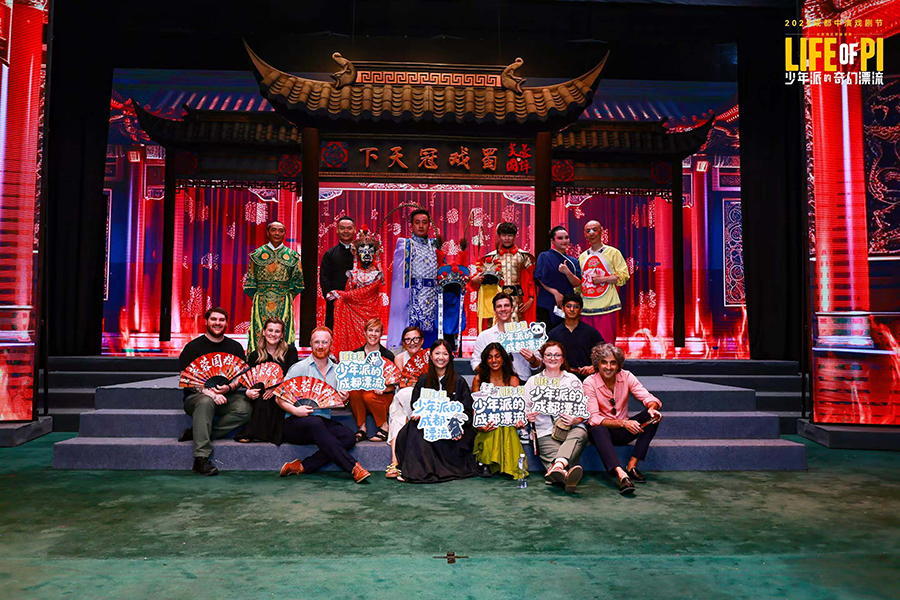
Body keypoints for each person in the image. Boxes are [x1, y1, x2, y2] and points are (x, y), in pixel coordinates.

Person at [278, 327, 370, 483]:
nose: (320, 346)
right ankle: (354, 467)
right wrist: (295, 410)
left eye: (324, 342)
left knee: (349, 437)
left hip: (321, 423)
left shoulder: (338, 370)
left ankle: (302, 466)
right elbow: (279, 398)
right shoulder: (299, 368)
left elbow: (339, 402)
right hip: (295, 424)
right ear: (311, 344)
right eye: (317, 342)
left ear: (331, 343)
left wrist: (345, 399)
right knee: (315, 422)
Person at [178, 307, 252, 476]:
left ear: (226, 323)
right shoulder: (193, 347)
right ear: (206, 321)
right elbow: (185, 378)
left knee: (245, 408)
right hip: (197, 398)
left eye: (221, 320)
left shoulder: (234, 347)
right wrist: (210, 393)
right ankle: (201, 458)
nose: (217, 323)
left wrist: (230, 387)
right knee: (206, 402)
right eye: (214, 319)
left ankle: (197, 433)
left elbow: (241, 376)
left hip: (226, 397)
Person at [394, 339, 478, 483]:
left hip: (451, 427)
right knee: (413, 429)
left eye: (445, 354)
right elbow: (416, 404)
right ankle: (416, 472)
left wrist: (457, 424)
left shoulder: (459, 381)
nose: (441, 357)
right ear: (431, 356)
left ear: (450, 357)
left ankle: (437, 470)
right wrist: (419, 413)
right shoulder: (423, 380)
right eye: (437, 353)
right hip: (430, 424)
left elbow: (467, 411)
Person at [584, 343, 662, 495]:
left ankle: (632, 465)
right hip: (603, 433)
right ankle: (621, 475)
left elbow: (648, 397)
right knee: (597, 428)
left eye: (613, 363)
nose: (608, 367)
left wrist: (652, 407)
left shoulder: (626, 376)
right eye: (604, 362)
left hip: (624, 431)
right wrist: (624, 423)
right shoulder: (589, 382)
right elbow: (593, 418)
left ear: (618, 365)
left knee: (652, 415)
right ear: (597, 364)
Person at [522, 340, 588, 493]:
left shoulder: (572, 380)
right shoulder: (533, 381)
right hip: (544, 431)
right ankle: (566, 474)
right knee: (560, 462)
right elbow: (523, 409)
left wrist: (575, 419)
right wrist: (527, 416)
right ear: (543, 358)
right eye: (549, 355)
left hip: (570, 429)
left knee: (581, 432)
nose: (553, 358)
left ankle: (558, 467)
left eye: (557, 355)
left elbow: (583, 411)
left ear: (563, 359)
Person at [386, 209, 445, 349]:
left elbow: (442, 271)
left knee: (431, 338)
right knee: (413, 335)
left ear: (429, 225)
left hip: (433, 297)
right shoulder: (406, 245)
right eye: (417, 222)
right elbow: (399, 278)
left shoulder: (435, 245)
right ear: (411, 225)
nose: (421, 226)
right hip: (413, 298)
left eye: (424, 222)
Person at [234, 317, 299, 444]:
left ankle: (256, 432)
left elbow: (293, 377)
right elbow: (250, 379)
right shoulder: (255, 355)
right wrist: (248, 392)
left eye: (277, 331)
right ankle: (265, 433)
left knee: (272, 397)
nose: (273, 334)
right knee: (261, 393)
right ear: (264, 332)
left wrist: (276, 388)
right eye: (270, 330)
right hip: (261, 394)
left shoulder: (290, 352)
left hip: (284, 391)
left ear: (282, 335)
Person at [244, 221, 304, 352]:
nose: (277, 233)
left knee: (283, 330)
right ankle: (258, 359)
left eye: (280, 231)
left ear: (285, 234)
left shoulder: (293, 256)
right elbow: (250, 284)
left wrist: (286, 296)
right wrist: (260, 296)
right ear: (267, 233)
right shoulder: (257, 255)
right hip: (261, 302)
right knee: (260, 331)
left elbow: (298, 284)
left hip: (283, 301)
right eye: (273, 230)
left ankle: (284, 359)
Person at [471, 342, 526, 478]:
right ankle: (488, 461)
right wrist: (479, 425)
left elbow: (517, 408)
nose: (494, 360)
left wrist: (519, 421)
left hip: (508, 424)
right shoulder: (479, 379)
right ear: (485, 360)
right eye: (489, 357)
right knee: (494, 424)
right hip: (486, 424)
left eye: (497, 356)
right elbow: (475, 409)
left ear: (503, 358)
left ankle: (502, 465)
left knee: (505, 425)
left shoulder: (513, 380)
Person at [469, 222, 536, 332]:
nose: (507, 238)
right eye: (504, 235)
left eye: (510, 235)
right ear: (499, 236)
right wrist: (475, 280)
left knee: (516, 329)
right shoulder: (492, 257)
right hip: (495, 298)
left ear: (515, 236)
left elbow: (531, 279)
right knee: (494, 329)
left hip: (516, 300)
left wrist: (531, 298)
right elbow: (479, 276)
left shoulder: (523, 256)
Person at [329, 227, 385, 353]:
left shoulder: (377, 275)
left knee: (371, 335)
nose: (366, 255)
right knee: (341, 304)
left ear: (375, 254)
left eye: (370, 251)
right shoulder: (353, 274)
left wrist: (339, 293)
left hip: (371, 311)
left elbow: (365, 292)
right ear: (357, 254)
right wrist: (341, 298)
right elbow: (349, 294)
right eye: (362, 252)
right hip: (354, 312)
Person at [470, 293, 542, 382]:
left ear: (512, 309)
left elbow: (538, 364)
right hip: (494, 383)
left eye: (506, 305)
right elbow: (475, 363)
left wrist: (532, 359)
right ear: (494, 310)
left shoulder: (526, 334)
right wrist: (492, 374)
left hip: (522, 381)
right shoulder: (484, 336)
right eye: (499, 306)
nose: (503, 309)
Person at [578, 220, 629, 345]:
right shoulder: (582, 257)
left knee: (606, 345)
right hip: (585, 308)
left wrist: (602, 279)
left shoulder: (613, 253)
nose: (591, 233)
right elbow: (579, 283)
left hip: (607, 306)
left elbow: (624, 275)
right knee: (586, 345)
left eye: (594, 230)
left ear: (601, 232)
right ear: (584, 235)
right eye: (588, 231)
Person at [385, 326, 426, 478]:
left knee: (400, 411)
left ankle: (396, 462)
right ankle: (395, 461)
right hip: (403, 400)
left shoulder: (429, 356)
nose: (412, 342)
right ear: (403, 343)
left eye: (415, 339)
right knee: (401, 406)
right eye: (407, 340)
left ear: (422, 341)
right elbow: (402, 383)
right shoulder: (400, 358)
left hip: (424, 399)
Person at [347, 318, 395, 443]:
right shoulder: (356, 354)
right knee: (354, 391)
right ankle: (362, 428)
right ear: (364, 332)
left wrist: (384, 388)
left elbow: (394, 383)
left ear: (381, 334)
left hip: (382, 397)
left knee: (368, 396)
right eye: (370, 330)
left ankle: (384, 426)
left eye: (377, 331)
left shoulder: (387, 355)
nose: (373, 334)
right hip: (361, 398)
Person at [534, 226, 582, 330]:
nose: (564, 241)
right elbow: (539, 277)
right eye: (560, 238)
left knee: (565, 334)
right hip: (547, 302)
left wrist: (567, 272)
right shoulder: (544, 256)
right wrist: (555, 293)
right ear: (552, 241)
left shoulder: (573, 261)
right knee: (547, 334)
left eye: (566, 237)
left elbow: (576, 283)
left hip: (567, 304)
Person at [548, 293, 604, 378]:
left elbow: (605, 354)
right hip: (559, 378)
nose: (572, 309)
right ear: (562, 308)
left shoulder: (591, 332)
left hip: (587, 378)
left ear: (581, 310)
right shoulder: (553, 334)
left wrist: (594, 367)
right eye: (568, 306)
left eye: (576, 307)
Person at [320, 216, 357, 329]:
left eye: (349, 228)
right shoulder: (330, 254)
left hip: (357, 302)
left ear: (355, 230)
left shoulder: (360, 254)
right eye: (342, 228)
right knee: (335, 330)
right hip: (335, 302)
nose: (346, 231)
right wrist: (333, 296)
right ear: (337, 230)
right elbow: (324, 278)